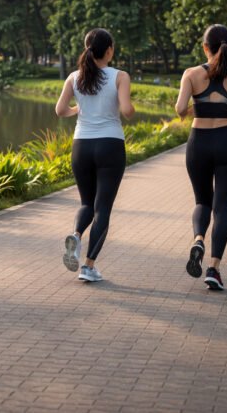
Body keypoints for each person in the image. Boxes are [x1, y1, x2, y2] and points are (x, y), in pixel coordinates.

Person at [175, 24, 227, 290]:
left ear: (205, 47)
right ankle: (213, 268)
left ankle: (198, 238)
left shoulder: (190, 74)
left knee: (202, 201)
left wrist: (191, 107)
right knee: (222, 208)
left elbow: (179, 109)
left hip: (198, 143)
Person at [56, 28, 135, 282]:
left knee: (86, 204)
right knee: (102, 208)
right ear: (109, 50)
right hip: (110, 145)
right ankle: (88, 267)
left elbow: (60, 110)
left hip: (81, 146)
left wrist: (78, 109)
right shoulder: (120, 76)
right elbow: (127, 110)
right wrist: (129, 105)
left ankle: (77, 237)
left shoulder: (74, 77)